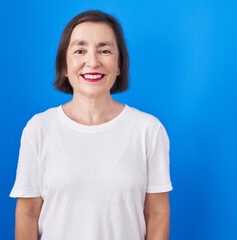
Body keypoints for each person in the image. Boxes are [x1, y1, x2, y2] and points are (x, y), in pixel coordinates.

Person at [10, 10, 172, 240]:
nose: (93, 62)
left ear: (119, 65)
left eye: (105, 51)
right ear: (65, 65)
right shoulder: (39, 129)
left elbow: (157, 212)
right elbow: (27, 213)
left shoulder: (148, 130)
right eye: (80, 51)